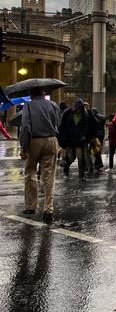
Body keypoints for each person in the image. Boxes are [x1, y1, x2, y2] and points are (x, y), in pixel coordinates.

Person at [19, 87, 61, 224]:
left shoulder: (28, 105)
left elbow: (25, 127)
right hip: (51, 140)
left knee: (30, 172)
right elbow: (58, 123)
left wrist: (24, 148)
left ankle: (31, 206)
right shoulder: (54, 105)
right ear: (44, 93)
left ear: (31, 94)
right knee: (49, 176)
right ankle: (48, 209)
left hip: (34, 141)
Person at [59, 98, 89, 181]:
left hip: (79, 139)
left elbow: (86, 125)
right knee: (71, 157)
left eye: (80, 107)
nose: (79, 109)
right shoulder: (67, 113)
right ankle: (66, 166)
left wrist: (83, 134)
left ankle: (81, 175)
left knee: (80, 157)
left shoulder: (84, 114)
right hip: (69, 139)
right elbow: (61, 126)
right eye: (78, 107)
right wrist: (63, 138)